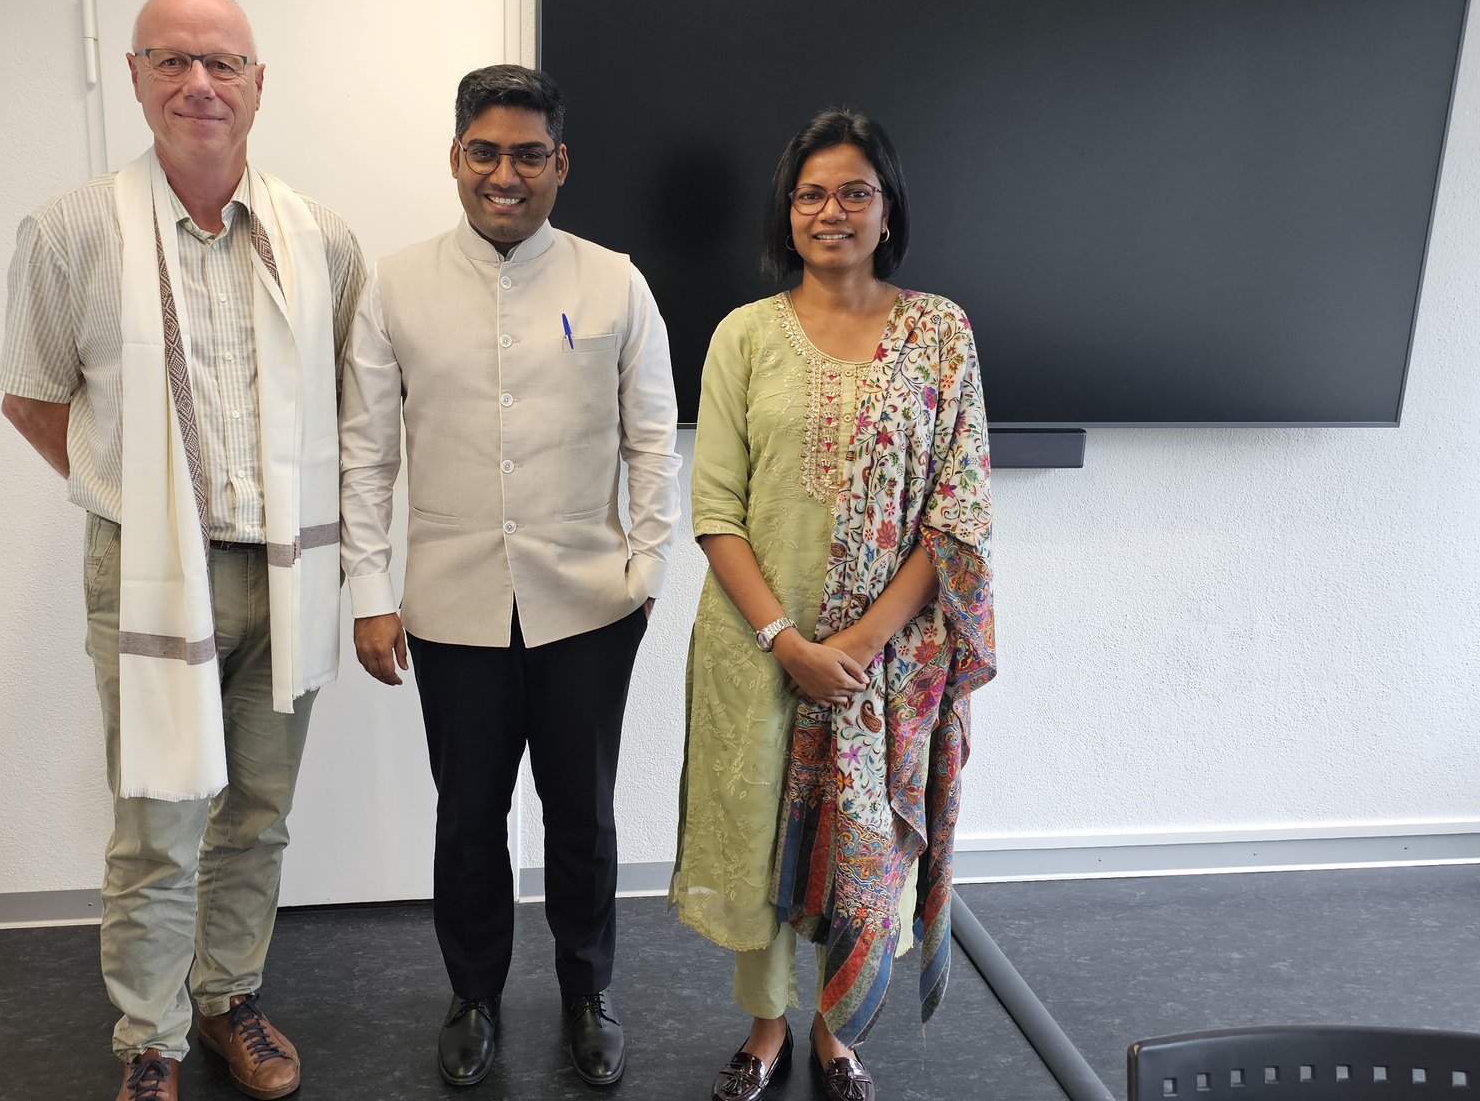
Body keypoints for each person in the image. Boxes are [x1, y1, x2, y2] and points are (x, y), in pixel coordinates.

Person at [0, 0, 364, 1101]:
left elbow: (351, 407)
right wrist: (138, 503)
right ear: (137, 77)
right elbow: (32, 398)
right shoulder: (69, 229)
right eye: (172, 61)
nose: (198, 84)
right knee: (156, 820)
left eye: (221, 64)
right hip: (152, 570)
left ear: (259, 86)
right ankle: (145, 1041)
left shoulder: (323, 240)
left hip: (288, 569)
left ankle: (226, 999)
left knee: (256, 811)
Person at [338, 64, 682, 1088]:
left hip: (585, 602)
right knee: (468, 812)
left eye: (527, 155)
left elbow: (652, 441)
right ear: (455, 157)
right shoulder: (394, 286)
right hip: (449, 604)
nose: (504, 173)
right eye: (483, 151)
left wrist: (645, 570)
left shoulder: (611, 281)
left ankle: (587, 991)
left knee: (582, 814)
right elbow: (365, 453)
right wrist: (370, 591)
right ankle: (473, 993)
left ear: (558, 165)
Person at [669, 109, 996, 1101]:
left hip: (878, 666)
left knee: (860, 855)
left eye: (854, 190)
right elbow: (714, 506)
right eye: (810, 193)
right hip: (754, 649)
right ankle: (765, 1029)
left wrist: (853, 640)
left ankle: (835, 1031)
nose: (830, 211)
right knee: (763, 841)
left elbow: (956, 510)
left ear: (887, 208)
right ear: (787, 209)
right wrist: (785, 638)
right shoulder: (742, 336)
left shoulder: (938, 333)